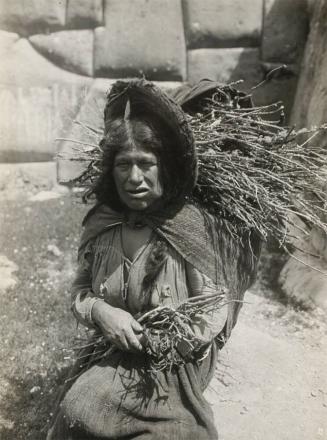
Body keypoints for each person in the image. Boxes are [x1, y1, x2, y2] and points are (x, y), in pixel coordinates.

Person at [47, 79, 260, 440]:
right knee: (76, 413)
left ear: (166, 167)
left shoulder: (190, 229)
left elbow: (211, 315)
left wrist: (151, 345)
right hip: (112, 348)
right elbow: (80, 289)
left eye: (146, 164)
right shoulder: (104, 225)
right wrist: (102, 312)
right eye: (123, 165)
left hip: (175, 363)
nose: (134, 178)